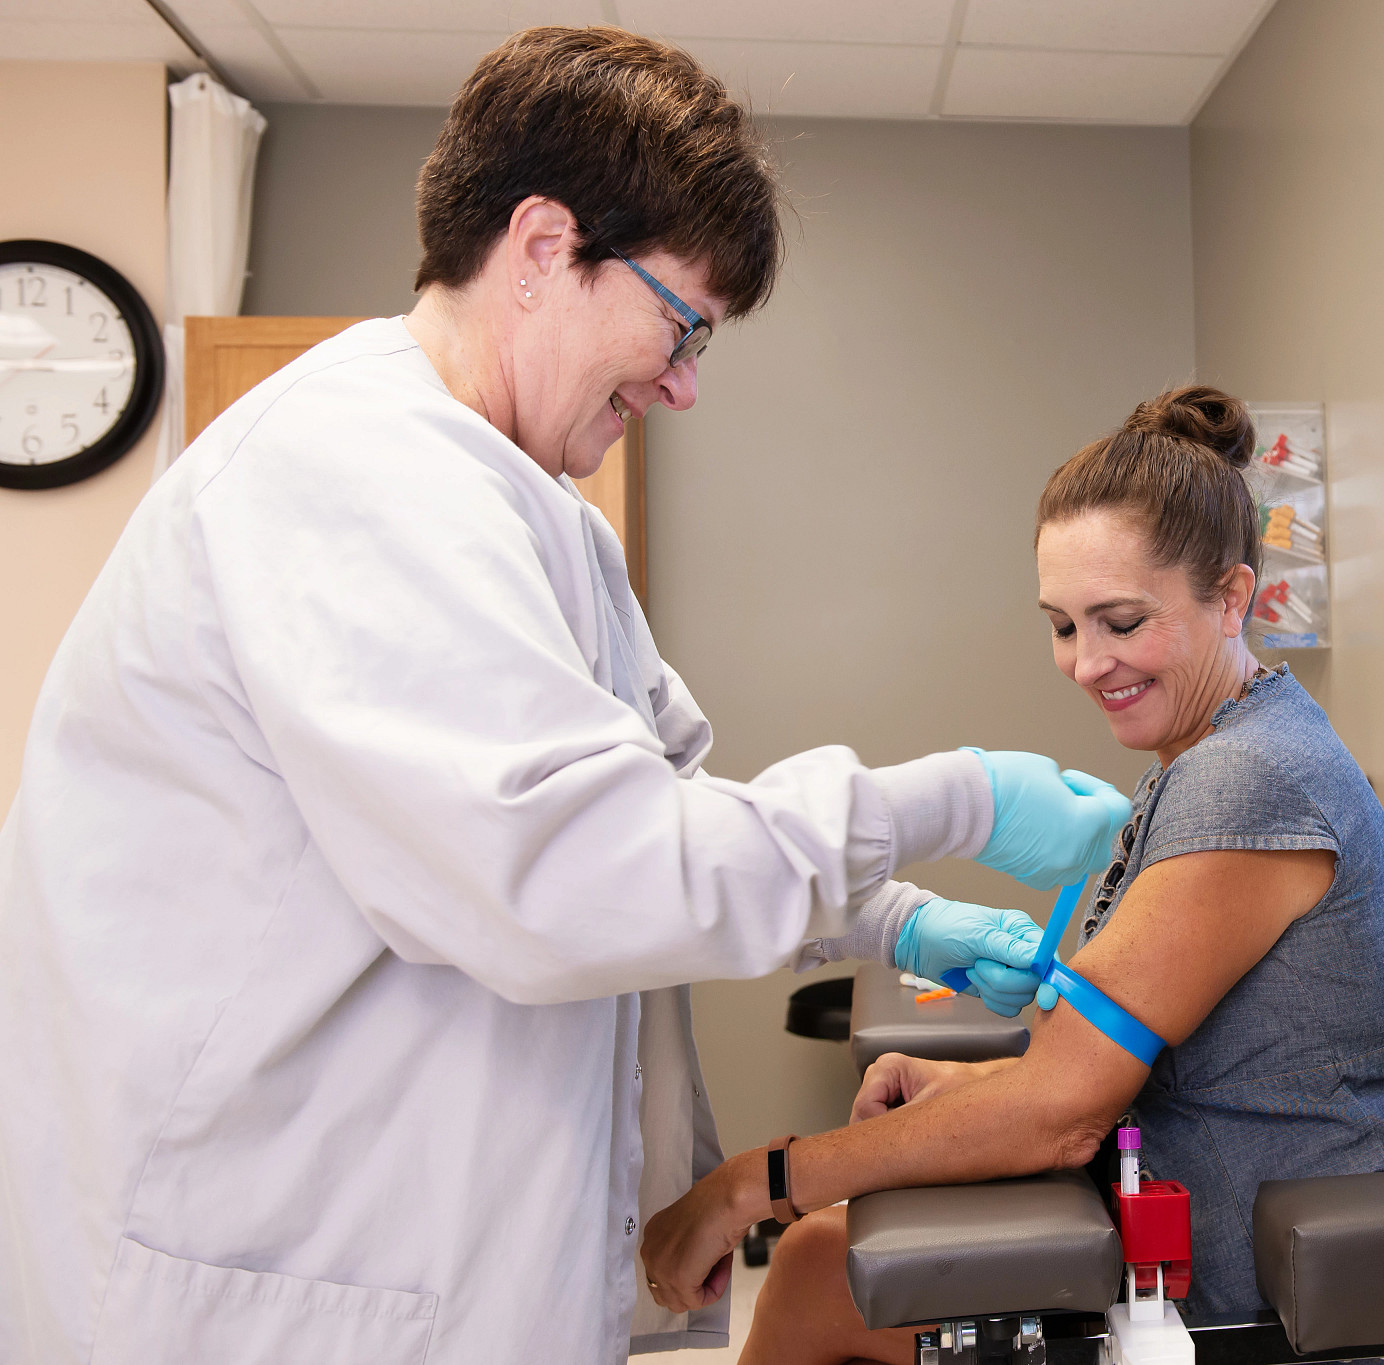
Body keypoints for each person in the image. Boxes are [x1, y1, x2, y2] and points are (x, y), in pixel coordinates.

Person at [0, 28, 1129, 1365]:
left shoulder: (533, 513)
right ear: (544, 247)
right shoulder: (350, 472)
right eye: (681, 323)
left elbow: (656, 819)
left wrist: (896, 914)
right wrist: (960, 797)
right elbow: (575, 873)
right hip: (284, 1266)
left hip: (425, 1239)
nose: (686, 384)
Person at [639, 386, 1384, 1361]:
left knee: (814, 1268)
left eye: (1118, 621)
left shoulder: (1251, 781)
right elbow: (1107, 1073)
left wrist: (753, 1183)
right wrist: (964, 1082)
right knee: (823, 1263)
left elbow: (1063, 1115)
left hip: (1268, 1305)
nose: (1083, 663)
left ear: (1232, 597)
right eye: (1063, 625)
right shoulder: (1219, 754)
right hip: (1161, 1222)